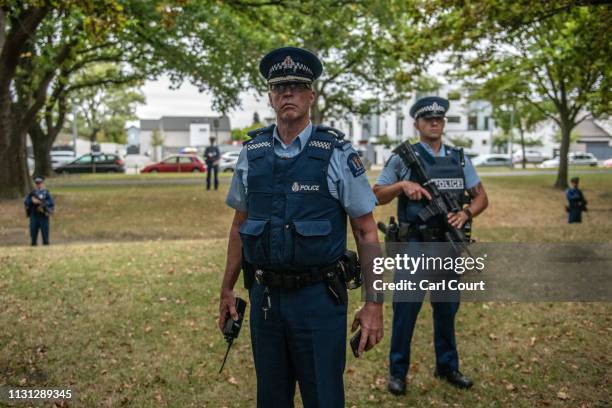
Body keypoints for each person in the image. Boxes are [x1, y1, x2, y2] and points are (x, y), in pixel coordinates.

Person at [218, 46, 384, 408]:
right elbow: (239, 224)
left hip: (319, 300)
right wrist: (227, 288)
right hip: (266, 300)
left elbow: (367, 232)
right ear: (270, 97)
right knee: (272, 398)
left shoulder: (337, 153)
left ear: (311, 95)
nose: (287, 93)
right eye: (280, 87)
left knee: (323, 398)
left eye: (296, 85)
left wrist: (374, 303)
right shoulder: (252, 153)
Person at [373, 96, 489, 395]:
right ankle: (397, 373)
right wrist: (402, 186)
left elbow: (480, 197)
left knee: (447, 310)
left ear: (443, 122)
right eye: (428, 119)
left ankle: (447, 366)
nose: (434, 122)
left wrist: (465, 213)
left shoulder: (460, 158)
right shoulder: (402, 157)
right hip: (415, 247)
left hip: (448, 249)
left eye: (439, 119)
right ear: (417, 123)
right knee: (405, 311)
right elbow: (377, 194)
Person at [24, 175, 55, 246]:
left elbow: (51, 203)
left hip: (43, 216)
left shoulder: (46, 193)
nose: (38, 185)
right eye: (37, 183)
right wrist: (32, 201)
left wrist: (42, 203)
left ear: (43, 183)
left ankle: (46, 245)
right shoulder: (32, 193)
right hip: (34, 215)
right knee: (33, 234)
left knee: (45, 235)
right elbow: (26, 202)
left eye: (40, 183)